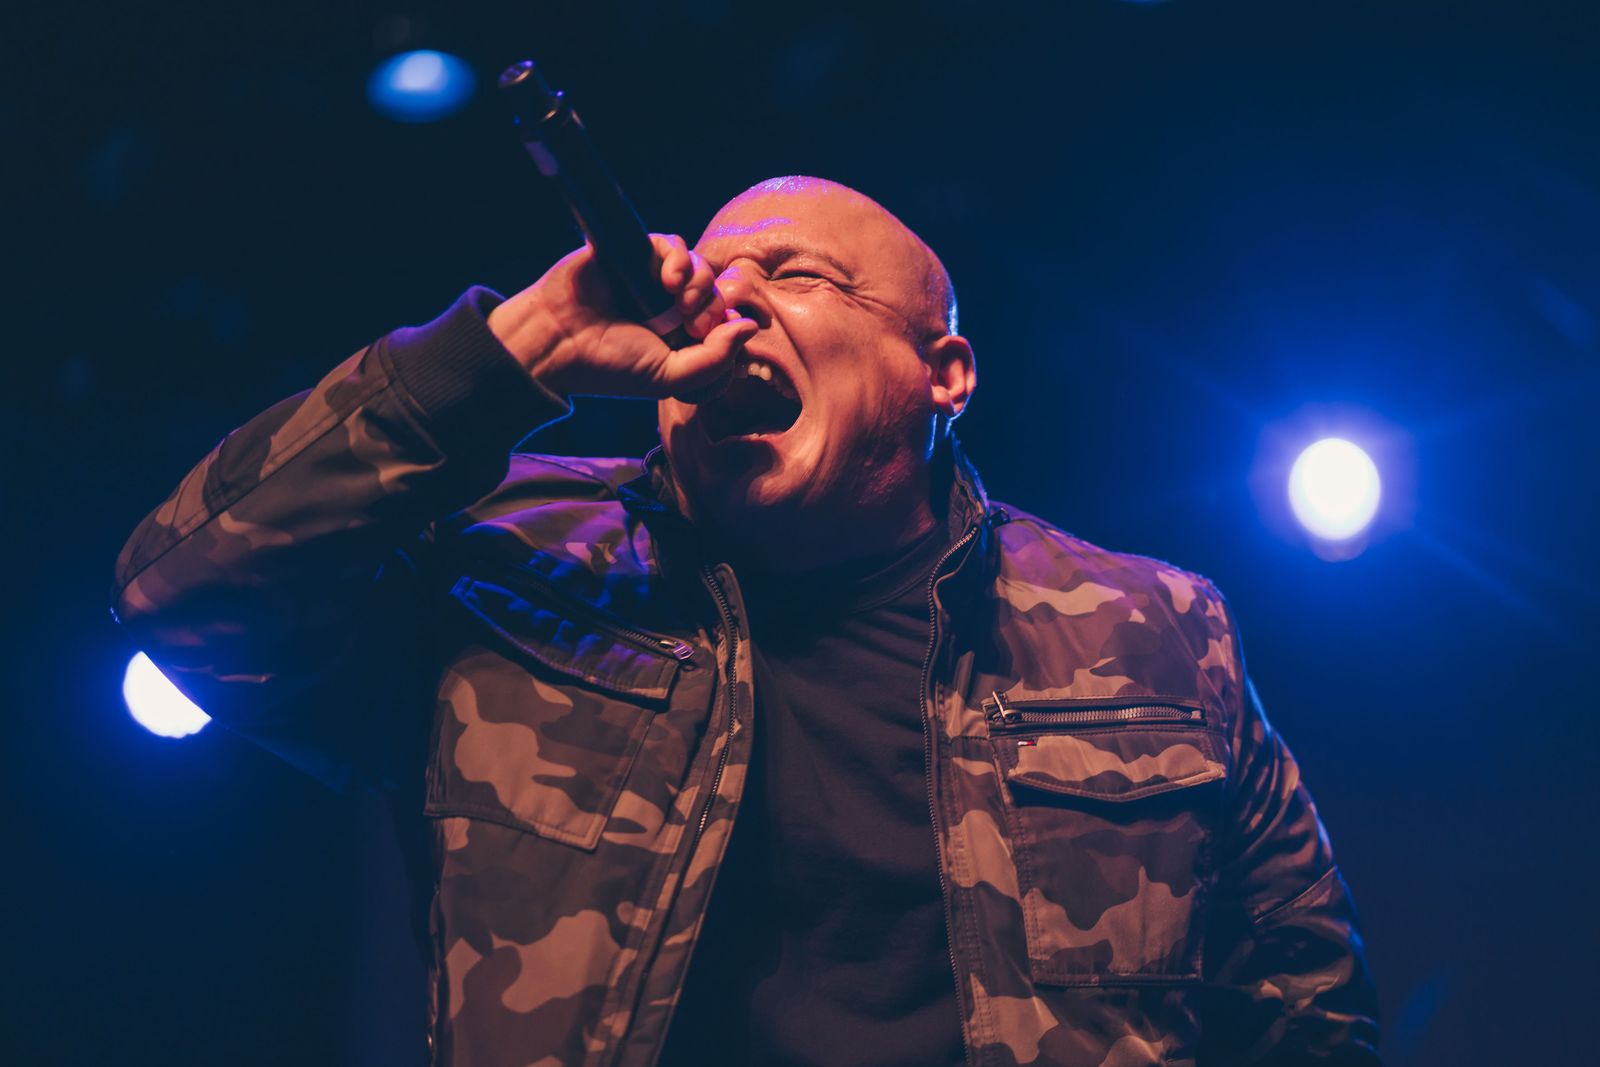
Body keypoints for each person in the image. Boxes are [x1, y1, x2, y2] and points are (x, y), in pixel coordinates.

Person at [113, 176, 1380, 1066]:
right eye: (711, 282)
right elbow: (184, 588)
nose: (727, 307)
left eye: (796, 276)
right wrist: (523, 344)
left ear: (942, 374)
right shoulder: (516, 566)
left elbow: (1305, 1018)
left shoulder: (1147, 631)